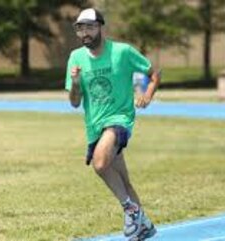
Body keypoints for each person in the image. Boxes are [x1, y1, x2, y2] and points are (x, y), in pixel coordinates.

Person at [65, 8, 160, 240]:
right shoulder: (75, 58)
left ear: (100, 27)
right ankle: (144, 226)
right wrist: (76, 83)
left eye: (89, 27)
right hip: (94, 126)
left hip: (119, 120)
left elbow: (153, 73)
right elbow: (75, 103)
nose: (84, 33)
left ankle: (130, 209)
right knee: (123, 181)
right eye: (80, 28)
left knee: (100, 164)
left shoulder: (122, 52)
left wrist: (147, 94)